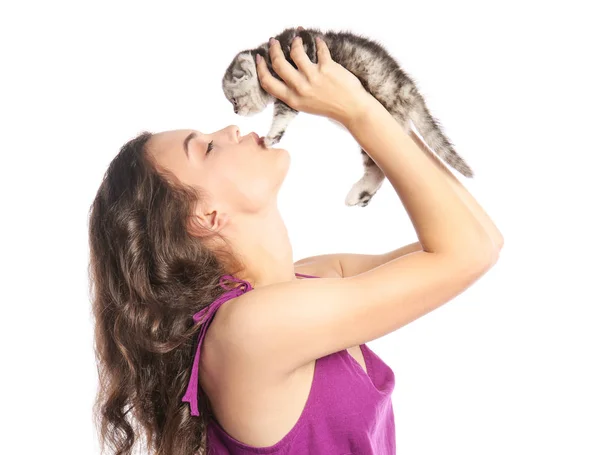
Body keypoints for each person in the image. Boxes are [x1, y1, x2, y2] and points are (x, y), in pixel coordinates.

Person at [88, 36, 503, 455]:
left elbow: (479, 238)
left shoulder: (316, 275)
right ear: (206, 217)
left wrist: (370, 109)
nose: (231, 128)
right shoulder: (249, 330)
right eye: (208, 148)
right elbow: (467, 251)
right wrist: (358, 111)